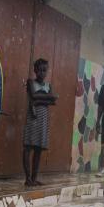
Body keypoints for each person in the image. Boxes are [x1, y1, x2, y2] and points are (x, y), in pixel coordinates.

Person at [23, 58, 58, 186]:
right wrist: (48, 97)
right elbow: (34, 95)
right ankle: (27, 179)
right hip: (33, 117)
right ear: (35, 71)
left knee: (38, 149)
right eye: (40, 70)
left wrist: (38, 100)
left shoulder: (49, 85)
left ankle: (34, 177)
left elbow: (53, 101)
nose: (42, 73)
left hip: (43, 118)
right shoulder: (30, 82)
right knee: (28, 147)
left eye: (45, 70)